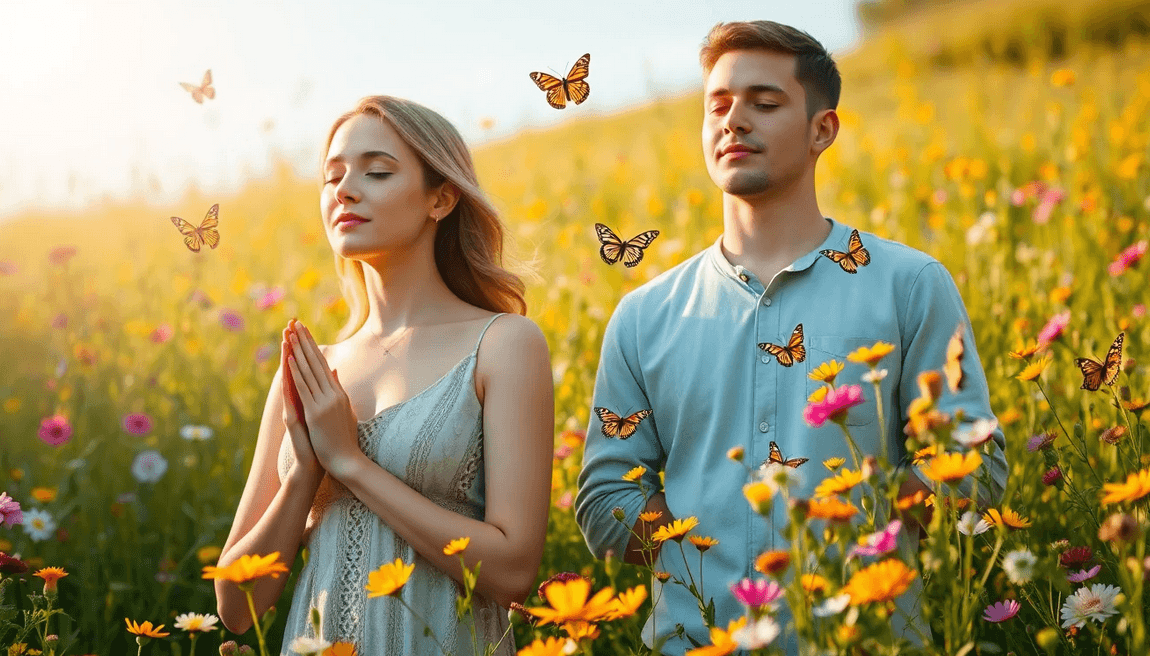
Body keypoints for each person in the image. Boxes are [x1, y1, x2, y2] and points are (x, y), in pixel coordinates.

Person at [575, 20, 1008, 654]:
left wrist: (859, 528)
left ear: (822, 130)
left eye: (764, 102)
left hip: (864, 640)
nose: (733, 120)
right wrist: (701, 558)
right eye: (717, 105)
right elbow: (606, 500)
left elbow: (980, 465)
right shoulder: (643, 316)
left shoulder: (910, 285)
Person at [212, 96, 554, 655]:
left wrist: (348, 462)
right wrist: (303, 476)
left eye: (376, 172)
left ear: (441, 198)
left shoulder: (503, 344)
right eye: (332, 176)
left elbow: (513, 571)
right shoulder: (307, 369)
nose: (344, 190)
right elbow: (234, 607)